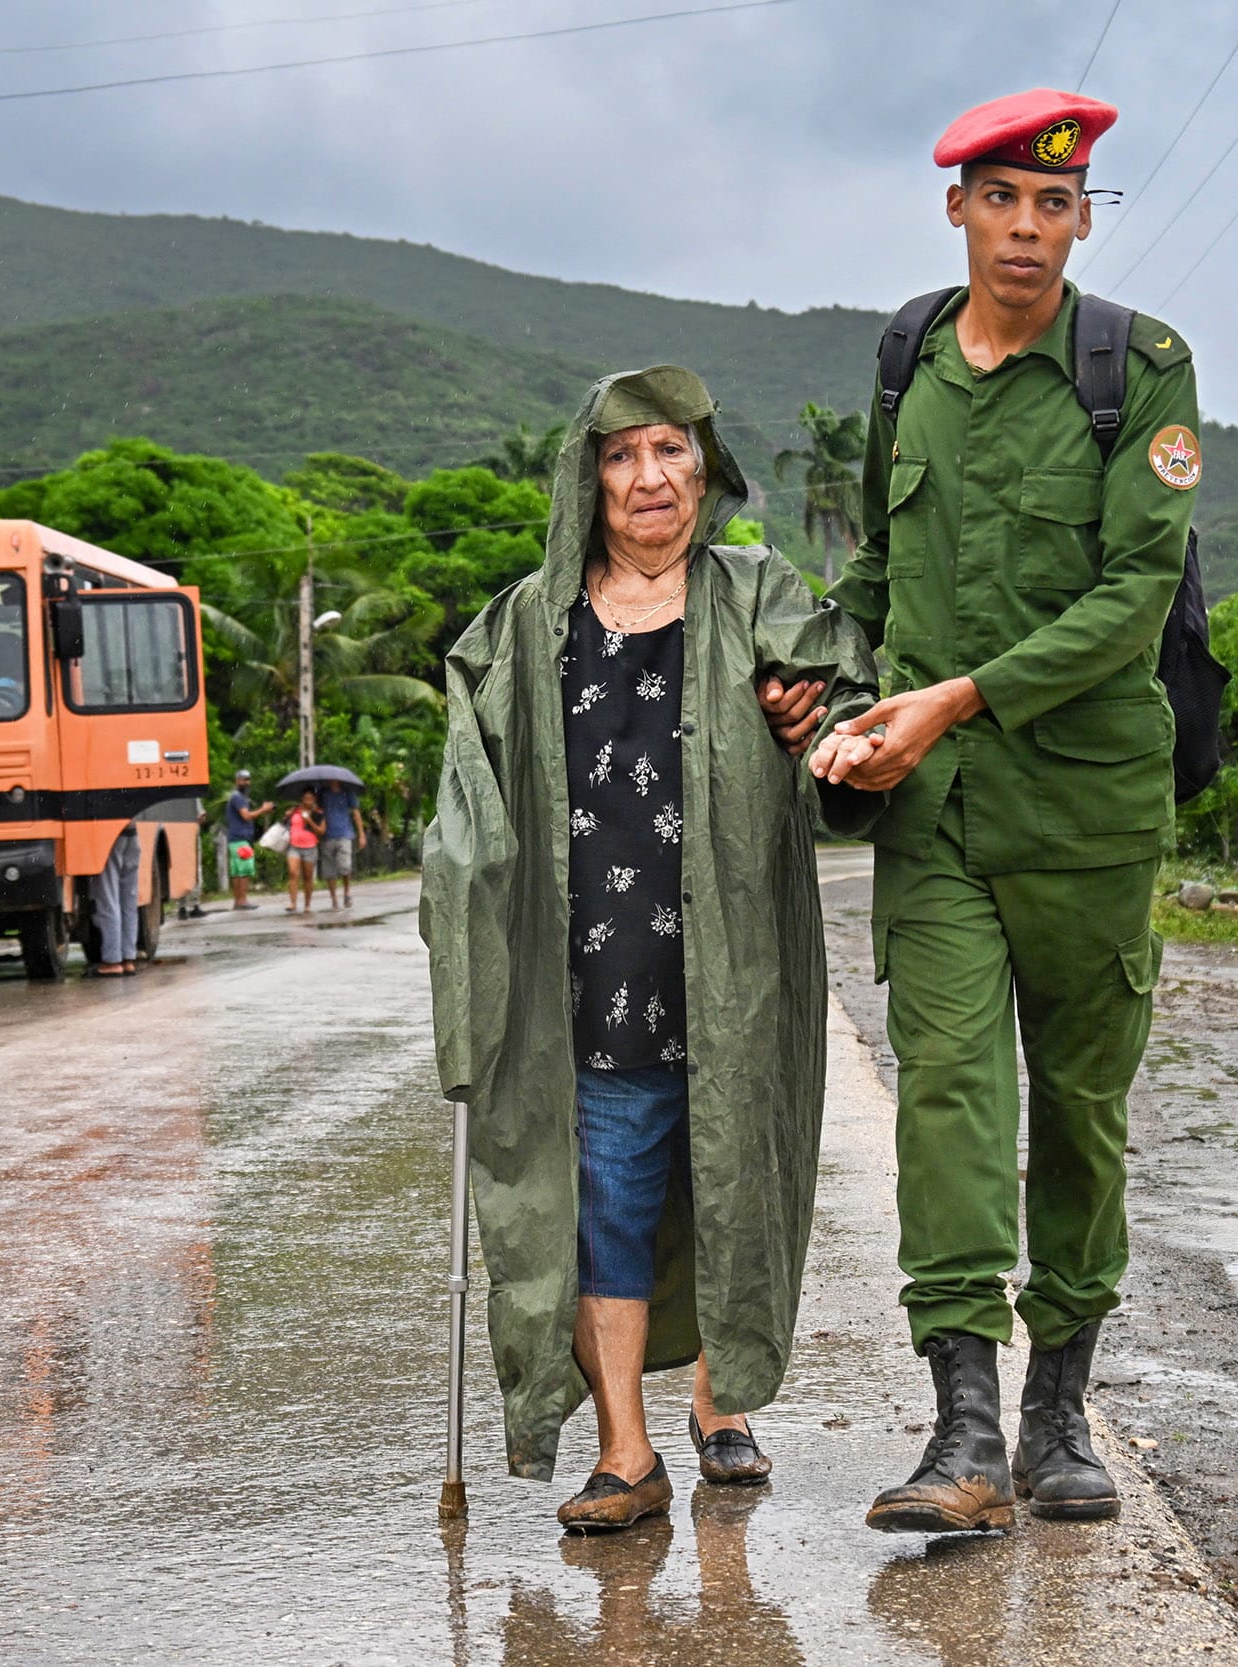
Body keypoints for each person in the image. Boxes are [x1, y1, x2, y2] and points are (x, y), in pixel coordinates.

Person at [808, 89, 1199, 1533]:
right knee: (953, 1102)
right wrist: (835, 692)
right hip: (939, 815)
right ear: (957, 208)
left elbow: (1131, 601)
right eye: (1000, 200)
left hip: (1090, 807)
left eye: (1055, 203)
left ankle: (1059, 1410)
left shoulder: (1140, 368)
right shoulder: (907, 353)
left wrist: (955, 695)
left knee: (1081, 1112)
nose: (1026, 229)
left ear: (1083, 215)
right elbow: (876, 567)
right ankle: (963, 1421)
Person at [422, 365, 879, 1535]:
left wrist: (814, 715)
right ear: (588, 480)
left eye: (669, 451)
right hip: (591, 981)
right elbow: (465, 781)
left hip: (733, 971)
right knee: (605, 1208)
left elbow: (851, 704)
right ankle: (626, 1450)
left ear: (703, 470)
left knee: (734, 1189)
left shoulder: (756, 589)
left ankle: (721, 1399)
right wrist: (459, 892)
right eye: (620, 456)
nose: (647, 478)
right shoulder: (528, 622)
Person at [90, 822, 143, 977]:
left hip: (110, 836)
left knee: (108, 898)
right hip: (133, 835)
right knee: (128, 901)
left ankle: (112, 962)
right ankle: (128, 960)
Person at [317, 777, 360, 908]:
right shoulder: (322, 793)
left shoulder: (348, 793)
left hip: (345, 833)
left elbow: (356, 813)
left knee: (345, 866)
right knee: (329, 869)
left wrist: (361, 834)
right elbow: (317, 811)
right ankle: (334, 898)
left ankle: (347, 892)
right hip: (327, 835)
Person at [224, 769, 262, 910]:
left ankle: (237, 901)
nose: (246, 782)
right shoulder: (238, 797)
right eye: (243, 779)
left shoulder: (236, 797)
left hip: (235, 839)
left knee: (236, 871)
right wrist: (263, 810)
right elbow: (246, 816)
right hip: (240, 839)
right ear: (237, 780)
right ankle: (243, 901)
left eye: (247, 779)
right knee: (244, 870)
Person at [284, 789, 324, 913]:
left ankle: (307, 904)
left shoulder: (318, 813)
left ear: (314, 799)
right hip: (294, 846)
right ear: (302, 799)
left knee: (307, 877)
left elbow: (321, 831)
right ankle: (293, 903)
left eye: (311, 798)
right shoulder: (295, 810)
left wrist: (309, 821)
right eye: (306, 798)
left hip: (310, 847)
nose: (308, 800)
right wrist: (287, 815)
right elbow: (285, 823)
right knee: (293, 873)